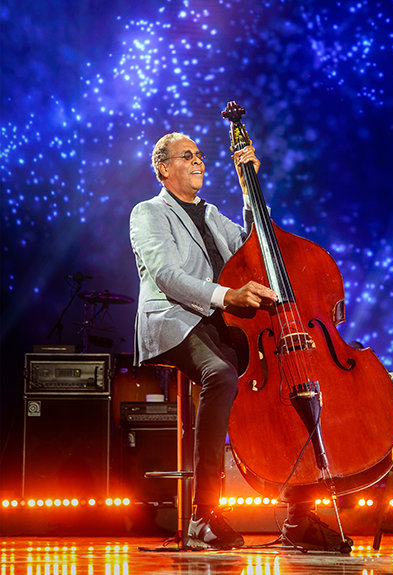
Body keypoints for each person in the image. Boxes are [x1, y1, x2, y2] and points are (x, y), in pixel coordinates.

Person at [130, 132, 353, 552]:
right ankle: (203, 514)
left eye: (199, 155)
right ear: (163, 168)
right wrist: (227, 295)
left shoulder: (212, 213)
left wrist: (249, 187)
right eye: (186, 156)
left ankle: (299, 517)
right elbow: (167, 275)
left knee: (289, 385)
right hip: (176, 320)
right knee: (221, 375)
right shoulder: (148, 212)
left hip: (226, 323)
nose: (198, 161)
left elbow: (256, 247)